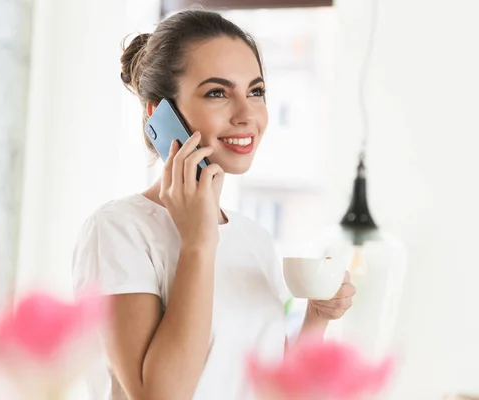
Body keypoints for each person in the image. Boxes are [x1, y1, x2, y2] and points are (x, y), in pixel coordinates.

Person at [72, 9, 356, 400]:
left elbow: (273, 389)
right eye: (217, 92)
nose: (246, 114)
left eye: (256, 92)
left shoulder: (253, 238)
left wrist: (317, 318)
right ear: (160, 115)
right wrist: (197, 243)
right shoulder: (119, 229)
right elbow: (159, 396)